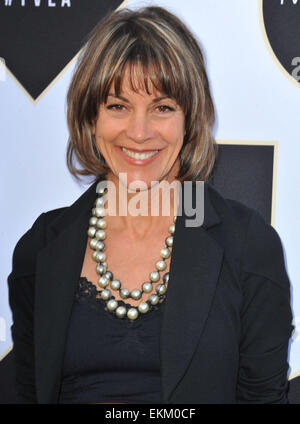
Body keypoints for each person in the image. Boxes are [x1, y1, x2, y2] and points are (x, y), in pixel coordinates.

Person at [8, 6, 293, 404]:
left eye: (162, 107)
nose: (139, 132)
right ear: (90, 118)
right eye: (117, 106)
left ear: (190, 120)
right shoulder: (41, 248)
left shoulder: (247, 246)